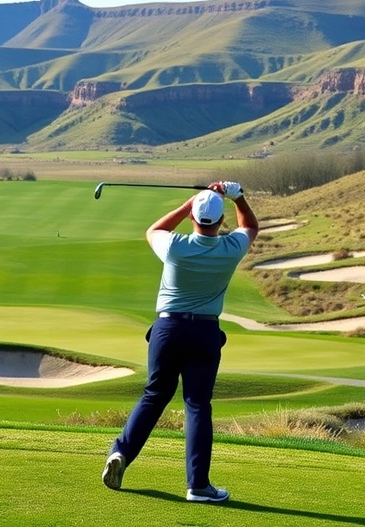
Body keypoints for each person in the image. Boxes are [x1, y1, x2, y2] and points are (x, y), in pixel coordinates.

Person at [102, 180, 258, 503]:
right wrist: (236, 197)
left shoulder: (175, 246)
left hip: (167, 330)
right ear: (220, 223)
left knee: (155, 395)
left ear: (193, 219)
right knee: (198, 404)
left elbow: (153, 230)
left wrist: (190, 204)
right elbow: (251, 226)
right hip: (205, 333)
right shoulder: (231, 249)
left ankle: (120, 454)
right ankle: (198, 486)